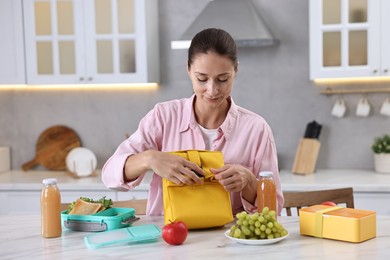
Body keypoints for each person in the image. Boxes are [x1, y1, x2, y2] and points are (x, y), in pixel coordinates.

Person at [102, 28, 284, 216]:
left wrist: (249, 182)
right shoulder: (163, 117)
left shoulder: (256, 129)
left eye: (222, 79)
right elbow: (109, 176)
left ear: (235, 70)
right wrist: (150, 158)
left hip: (228, 241)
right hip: (167, 239)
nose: (212, 90)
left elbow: (273, 211)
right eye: (202, 79)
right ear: (188, 69)